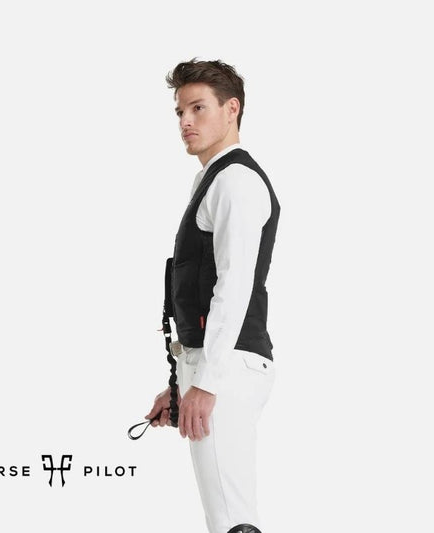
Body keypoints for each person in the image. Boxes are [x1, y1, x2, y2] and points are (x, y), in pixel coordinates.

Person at [145, 58, 281, 533]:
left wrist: (207, 382)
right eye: (180, 111)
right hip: (218, 366)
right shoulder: (212, 180)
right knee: (224, 515)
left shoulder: (235, 181)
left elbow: (234, 286)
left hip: (229, 368)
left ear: (231, 109)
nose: (185, 121)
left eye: (198, 108)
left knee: (232, 520)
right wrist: (183, 384)